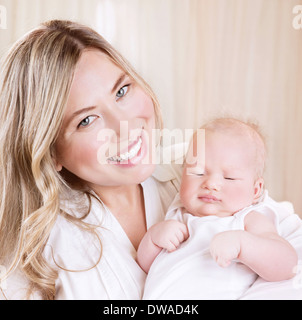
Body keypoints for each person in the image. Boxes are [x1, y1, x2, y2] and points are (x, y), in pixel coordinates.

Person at [0, 20, 301, 300]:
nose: (125, 125)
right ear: (50, 152)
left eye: (122, 90)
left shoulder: (196, 169)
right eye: (87, 120)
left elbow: (292, 259)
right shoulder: (39, 254)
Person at [138, 118, 299, 299]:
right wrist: (153, 238)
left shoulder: (247, 219)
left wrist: (242, 245)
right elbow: (145, 266)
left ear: (255, 190)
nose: (211, 184)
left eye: (229, 178)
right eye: (197, 172)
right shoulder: (178, 213)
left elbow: (286, 265)